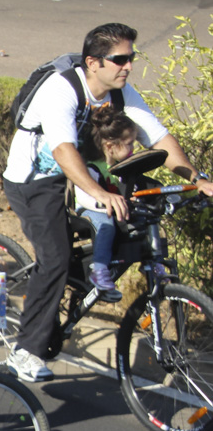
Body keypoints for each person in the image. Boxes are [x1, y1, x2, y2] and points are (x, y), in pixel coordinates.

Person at [1, 22, 213, 383]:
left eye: (131, 58)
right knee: (54, 257)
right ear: (93, 62)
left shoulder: (121, 92)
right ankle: (25, 350)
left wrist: (197, 178)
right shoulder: (62, 89)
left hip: (83, 174)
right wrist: (99, 193)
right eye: (120, 59)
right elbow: (64, 150)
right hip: (35, 180)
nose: (128, 66)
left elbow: (158, 137)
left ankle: (81, 281)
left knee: (130, 222)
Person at [72, 108, 139, 301]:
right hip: (88, 208)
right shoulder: (93, 167)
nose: (133, 149)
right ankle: (99, 269)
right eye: (129, 144)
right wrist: (103, 205)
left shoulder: (118, 167)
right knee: (106, 225)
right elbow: (82, 196)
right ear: (110, 147)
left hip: (109, 206)